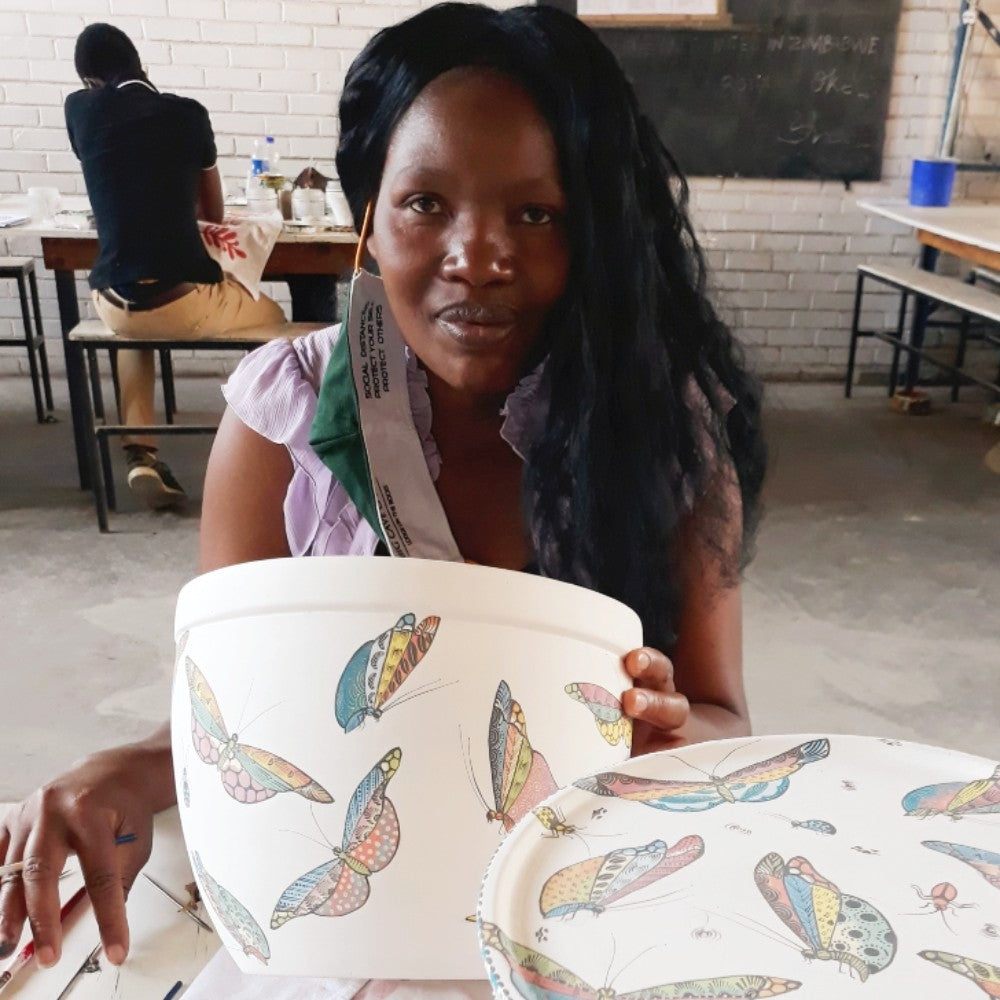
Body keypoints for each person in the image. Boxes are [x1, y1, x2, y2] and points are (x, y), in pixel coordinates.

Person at [1, 2, 766, 975]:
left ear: (597, 234)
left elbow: (723, 716)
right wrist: (127, 772)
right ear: (367, 218)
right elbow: (241, 714)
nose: (476, 257)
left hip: (575, 912)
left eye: (535, 214)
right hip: (354, 930)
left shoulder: (663, 432)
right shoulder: (283, 425)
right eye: (426, 203)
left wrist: (672, 741)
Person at [65, 23, 286, 509]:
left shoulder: (79, 109)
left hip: (113, 303)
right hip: (180, 302)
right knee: (276, 319)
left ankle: (140, 454)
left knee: (134, 328)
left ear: (89, 81)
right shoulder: (188, 115)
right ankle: (264, 444)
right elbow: (212, 213)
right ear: (141, 64)